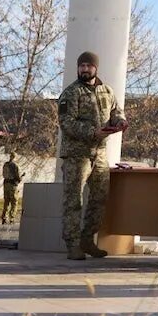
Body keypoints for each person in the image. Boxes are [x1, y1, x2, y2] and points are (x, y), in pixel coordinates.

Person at [57, 52, 125, 260]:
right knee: (73, 200)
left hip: (100, 154)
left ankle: (88, 239)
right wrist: (92, 132)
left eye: (89, 66)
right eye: (82, 66)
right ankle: (73, 244)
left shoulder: (107, 91)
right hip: (77, 155)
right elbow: (66, 123)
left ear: (96, 68)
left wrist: (120, 121)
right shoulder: (70, 93)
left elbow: (116, 111)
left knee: (99, 198)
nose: (85, 69)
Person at [0, 150, 22, 224]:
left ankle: (4, 217)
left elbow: (3, 174)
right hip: (13, 185)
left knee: (6, 201)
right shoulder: (15, 165)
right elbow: (18, 176)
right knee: (14, 202)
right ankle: (11, 218)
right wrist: (20, 178)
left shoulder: (5, 164)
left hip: (6, 184)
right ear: (15, 157)